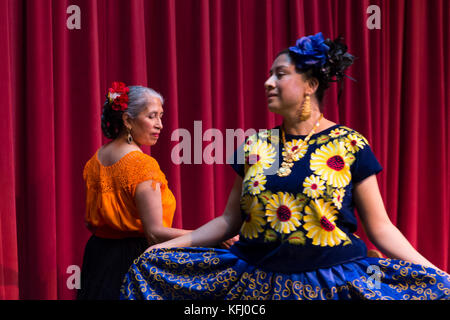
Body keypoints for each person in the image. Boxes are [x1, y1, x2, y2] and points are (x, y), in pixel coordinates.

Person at [120, 34, 450, 300]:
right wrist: (166, 247)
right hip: (256, 286)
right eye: (268, 75)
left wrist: (435, 274)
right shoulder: (255, 145)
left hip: (330, 284)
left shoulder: (349, 144)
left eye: (280, 74)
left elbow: (381, 229)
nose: (267, 83)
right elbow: (228, 221)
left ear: (310, 85)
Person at [77, 82, 191, 300]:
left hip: (97, 258)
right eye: (152, 116)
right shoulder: (141, 165)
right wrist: (212, 235)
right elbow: (155, 233)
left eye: (161, 117)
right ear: (128, 120)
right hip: (134, 262)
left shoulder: (94, 161)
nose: (160, 125)